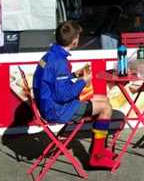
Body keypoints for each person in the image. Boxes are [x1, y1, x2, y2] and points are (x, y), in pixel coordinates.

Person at [33, 20, 116, 169]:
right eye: (78, 36)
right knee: (105, 108)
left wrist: (72, 75)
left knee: (104, 99)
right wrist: (83, 81)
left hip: (47, 104)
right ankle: (96, 157)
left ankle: (98, 149)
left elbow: (53, 82)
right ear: (74, 40)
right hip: (57, 109)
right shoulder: (59, 62)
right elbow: (63, 95)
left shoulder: (49, 56)